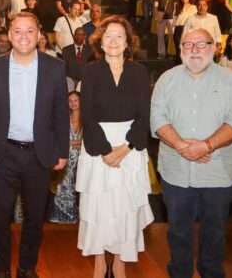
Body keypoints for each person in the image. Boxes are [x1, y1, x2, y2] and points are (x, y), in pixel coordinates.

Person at [150, 27, 232, 278]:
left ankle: (211, 273)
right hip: (176, 172)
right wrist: (183, 146)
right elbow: (157, 118)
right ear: (180, 49)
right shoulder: (166, 79)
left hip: (217, 172)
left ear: (214, 48)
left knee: (214, 231)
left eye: (201, 44)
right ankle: (180, 273)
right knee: (178, 231)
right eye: (188, 45)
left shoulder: (231, 80)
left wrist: (206, 146)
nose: (194, 50)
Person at [0, 11, 69, 278]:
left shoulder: (55, 67)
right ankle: (1, 270)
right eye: (17, 31)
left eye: (30, 31)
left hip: (39, 155)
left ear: (40, 35)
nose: (24, 37)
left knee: (34, 218)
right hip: (3, 153)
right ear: (8, 35)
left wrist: (62, 151)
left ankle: (27, 267)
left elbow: (60, 114)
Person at [76, 16, 153, 278]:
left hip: (130, 147)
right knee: (99, 207)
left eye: (119, 36)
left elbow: (145, 114)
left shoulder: (140, 72)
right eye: (108, 35)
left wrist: (126, 147)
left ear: (128, 42)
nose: (113, 41)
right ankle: (99, 261)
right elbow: (86, 114)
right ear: (100, 40)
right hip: (98, 146)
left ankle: (119, 261)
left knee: (124, 208)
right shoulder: (91, 71)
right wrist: (106, 150)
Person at [49, 90, 82, 224]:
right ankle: (62, 214)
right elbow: (58, 139)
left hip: (83, 157)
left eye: (76, 100)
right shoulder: (64, 119)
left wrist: (73, 143)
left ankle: (73, 213)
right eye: (70, 101)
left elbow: (89, 140)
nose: (73, 103)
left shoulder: (86, 119)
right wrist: (75, 143)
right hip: (65, 156)